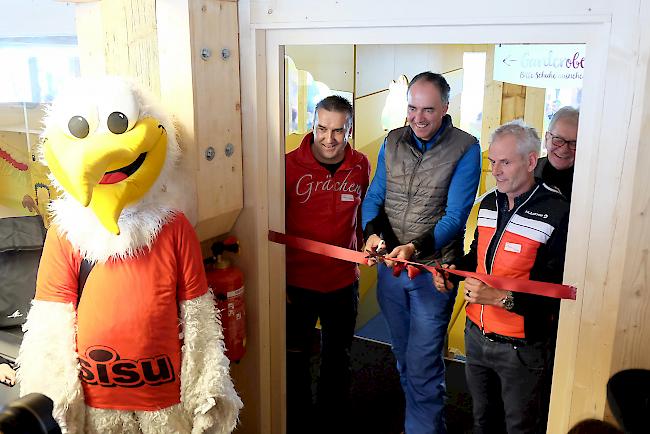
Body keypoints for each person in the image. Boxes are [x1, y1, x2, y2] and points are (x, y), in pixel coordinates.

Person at [362, 71, 481, 434]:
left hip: (433, 275)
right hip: (390, 272)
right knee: (403, 357)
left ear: (446, 107)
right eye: (412, 108)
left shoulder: (466, 147)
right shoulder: (392, 141)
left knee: (424, 364)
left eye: (428, 109)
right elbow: (374, 198)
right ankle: (423, 423)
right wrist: (372, 235)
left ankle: (423, 428)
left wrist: (413, 247)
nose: (418, 117)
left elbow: (456, 216)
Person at [433, 120, 570, 434]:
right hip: (477, 337)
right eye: (492, 162)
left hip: (521, 349)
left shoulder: (557, 210)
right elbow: (475, 259)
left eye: (505, 162)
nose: (496, 170)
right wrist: (451, 273)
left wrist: (499, 298)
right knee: (483, 422)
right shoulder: (489, 202)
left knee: (520, 428)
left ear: (531, 161)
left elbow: (555, 293)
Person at [284, 95, 370, 433]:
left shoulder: (361, 164)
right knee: (295, 359)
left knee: (338, 359)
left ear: (349, 129)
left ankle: (331, 422)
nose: (329, 139)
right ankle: (297, 422)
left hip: (342, 281)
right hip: (296, 283)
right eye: (322, 128)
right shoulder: (287, 165)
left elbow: (364, 215)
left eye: (338, 131)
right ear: (312, 125)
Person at [536, 106, 579, 200]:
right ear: (547, 138)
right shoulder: (527, 173)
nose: (564, 150)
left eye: (573, 143)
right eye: (558, 139)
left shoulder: (588, 184)